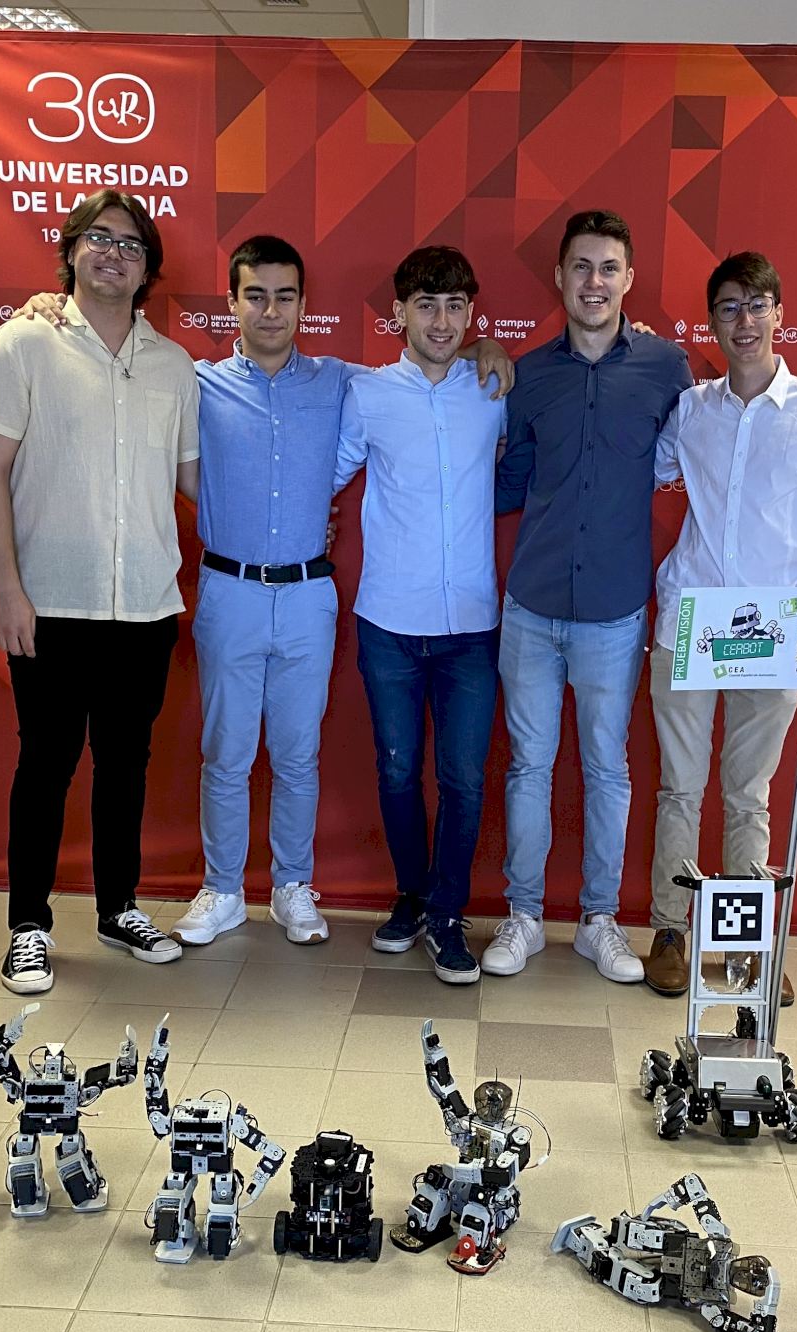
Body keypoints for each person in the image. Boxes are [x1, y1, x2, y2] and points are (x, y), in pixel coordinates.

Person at [18, 241, 512, 951]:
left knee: (298, 753)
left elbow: (429, 366)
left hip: (309, 593)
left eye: (285, 296)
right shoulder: (194, 381)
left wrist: (483, 347)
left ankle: (291, 886)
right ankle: (223, 888)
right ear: (233, 303)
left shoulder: (344, 383)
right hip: (230, 590)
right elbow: (114, 369)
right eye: (256, 295)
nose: (271, 310)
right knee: (226, 752)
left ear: (304, 305)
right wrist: (51, 306)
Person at [0, 189, 199, 994]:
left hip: (145, 605)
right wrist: (5, 585)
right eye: (99, 238)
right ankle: (28, 924)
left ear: (148, 269)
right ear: (70, 250)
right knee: (46, 763)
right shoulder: (21, 344)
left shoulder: (173, 365)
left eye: (131, 245)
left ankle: (118, 906)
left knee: (125, 765)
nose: (114, 254)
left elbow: (195, 481)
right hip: (50, 604)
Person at [644, 251, 797, 1004]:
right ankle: (670, 932)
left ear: (779, 314)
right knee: (680, 789)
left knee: (747, 793)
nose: (743, 320)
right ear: (712, 320)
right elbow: (649, 468)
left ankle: (743, 950)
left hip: (772, 630)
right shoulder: (691, 409)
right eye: (728, 307)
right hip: (691, 618)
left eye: (756, 305)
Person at [487, 210, 693, 983]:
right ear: (560, 277)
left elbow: (705, 452)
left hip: (614, 609)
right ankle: (524, 914)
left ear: (628, 279)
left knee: (608, 768)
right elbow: (507, 483)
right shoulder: (528, 374)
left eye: (609, 267)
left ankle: (599, 920)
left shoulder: (668, 369)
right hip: (532, 604)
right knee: (528, 767)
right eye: (581, 266)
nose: (594, 281)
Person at [335, 246, 505, 985]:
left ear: (472, 314)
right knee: (399, 769)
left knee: (464, 778)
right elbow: (324, 473)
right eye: (427, 306)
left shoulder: (494, 388)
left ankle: (447, 913)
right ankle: (410, 895)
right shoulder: (367, 394)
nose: (442, 322)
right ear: (398, 312)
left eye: (456, 307)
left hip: (470, 623)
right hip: (388, 622)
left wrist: (491, 350)